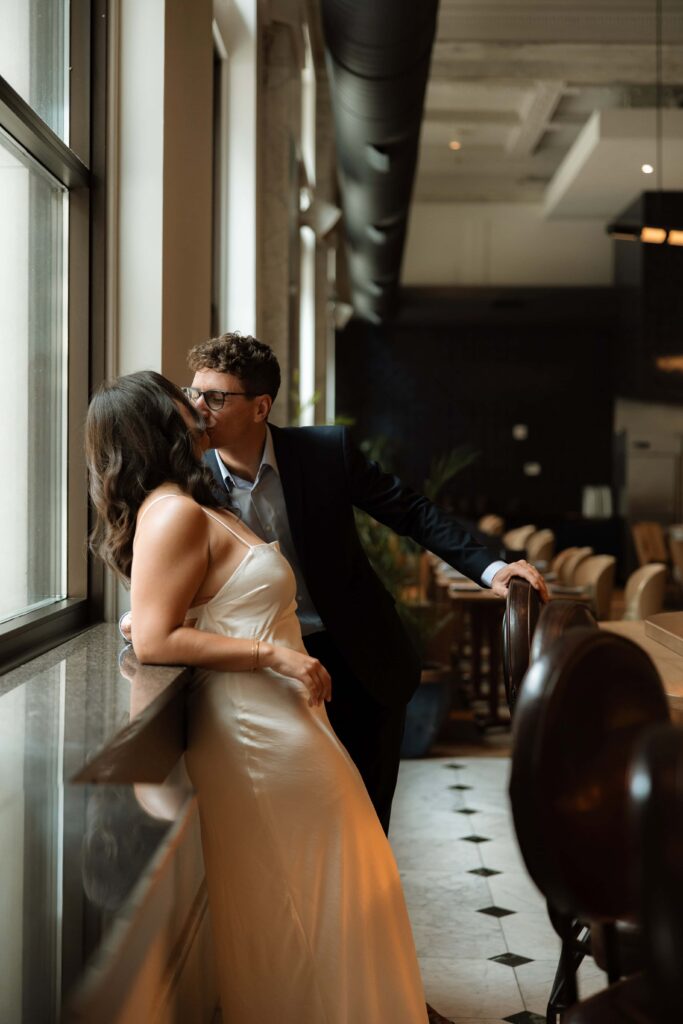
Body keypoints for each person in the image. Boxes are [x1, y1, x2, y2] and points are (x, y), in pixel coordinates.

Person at [86, 370, 431, 1024]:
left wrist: (164, 620)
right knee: (313, 900)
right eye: (182, 403)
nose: (197, 411)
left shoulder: (190, 503)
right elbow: (158, 639)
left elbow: (172, 614)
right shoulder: (174, 512)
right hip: (255, 736)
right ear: (156, 427)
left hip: (286, 727)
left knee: (342, 889)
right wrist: (272, 654)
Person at [178, 332, 548, 833]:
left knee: (367, 825)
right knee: (287, 827)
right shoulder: (187, 478)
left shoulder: (324, 454)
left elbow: (411, 512)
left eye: (214, 397)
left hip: (357, 660)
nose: (197, 407)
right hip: (259, 671)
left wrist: (491, 569)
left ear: (260, 406)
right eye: (194, 393)